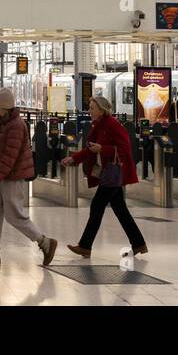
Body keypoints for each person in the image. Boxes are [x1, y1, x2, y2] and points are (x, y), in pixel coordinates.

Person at [0, 88, 58, 267]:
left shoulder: (16, 126)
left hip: (11, 177)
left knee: (14, 215)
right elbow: (6, 151)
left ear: (4, 107)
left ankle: (45, 242)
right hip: (3, 175)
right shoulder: (7, 123)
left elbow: (10, 158)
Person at [61, 95, 146, 258]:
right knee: (120, 209)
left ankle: (85, 246)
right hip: (109, 173)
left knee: (97, 206)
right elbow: (88, 148)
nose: (89, 111)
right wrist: (74, 158)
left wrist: (102, 149)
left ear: (101, 109)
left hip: (114, 173)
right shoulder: (97, 126)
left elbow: (125, 149)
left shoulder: (113, 124)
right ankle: (138, 243)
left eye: (92, 108)